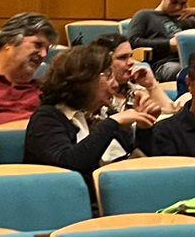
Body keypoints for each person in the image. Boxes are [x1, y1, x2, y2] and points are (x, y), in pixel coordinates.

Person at [23, 44, 151, 184]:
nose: (115, 85)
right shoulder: (47, 118)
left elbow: (127, 159)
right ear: (84, 80)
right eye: (108, 76)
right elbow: (69, 166)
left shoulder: (99, 113)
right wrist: (112, 123)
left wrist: (142, 127)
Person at [126, 0, 195, 72]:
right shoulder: (145, 15)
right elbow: (132, 42)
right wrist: (168, 44)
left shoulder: (186, 20)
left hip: (187, 62)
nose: (178, 7)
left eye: (183, 3)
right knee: (184, 70)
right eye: (174, 2)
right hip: (162, 64)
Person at [99, 33, 173, 120]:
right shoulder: (98, 98)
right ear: (104, 62)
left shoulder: (136, 90)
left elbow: (171, 117)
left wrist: (152, 85)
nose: (131, 62)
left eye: (131, 56)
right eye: (123, 57)